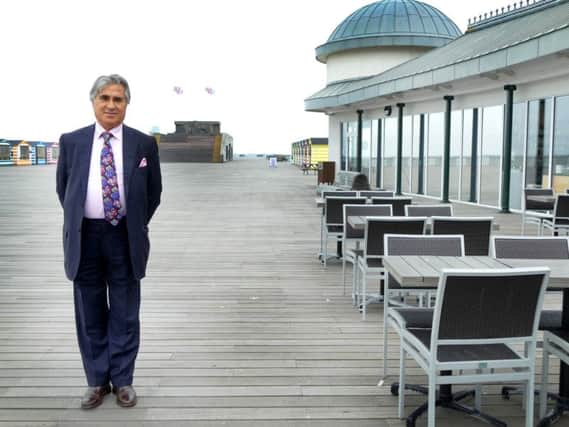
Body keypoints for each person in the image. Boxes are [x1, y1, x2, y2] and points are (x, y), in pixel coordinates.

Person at [56, 74, 162, 410]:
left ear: (126, 104)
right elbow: (64, 190)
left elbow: (153, 193)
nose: (111, 105)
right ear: (94, 102)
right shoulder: (71, 142)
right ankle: (97, 380)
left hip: (125, 236)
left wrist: (132, 224)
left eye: (118, 99)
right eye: (105, 98)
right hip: (85, 236)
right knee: (89, 311)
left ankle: (124, 379)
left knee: (126, 311)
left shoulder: (143, 144)